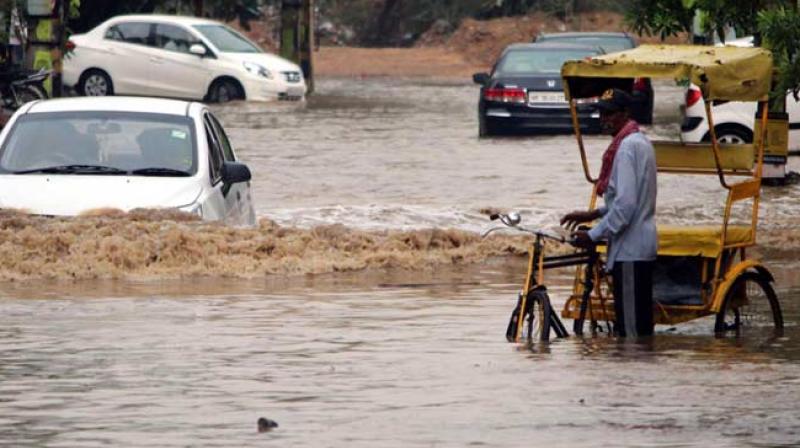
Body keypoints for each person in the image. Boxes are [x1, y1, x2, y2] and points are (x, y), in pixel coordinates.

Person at [561, 88, 658, 337]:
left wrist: (592, 235)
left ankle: (629, 375)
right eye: (602, 114)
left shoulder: (626, 149)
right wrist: (593, 215)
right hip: (640, 246)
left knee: (632, 335)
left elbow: (625, 206)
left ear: (625, 113)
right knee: (637, 327)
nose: (605, 120)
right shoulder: (641, 142)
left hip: (630, 251)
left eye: (610, 114)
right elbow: (628, 199)